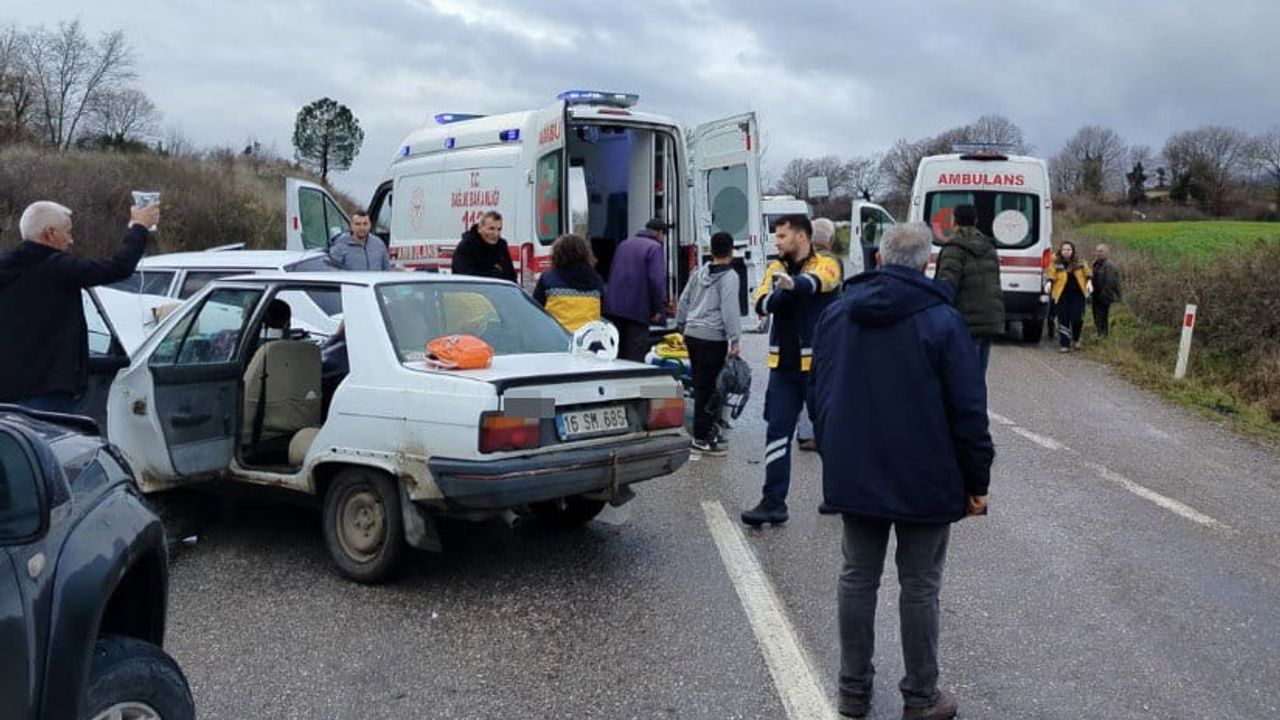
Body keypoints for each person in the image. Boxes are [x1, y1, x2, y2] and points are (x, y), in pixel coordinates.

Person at [810, 222, 993, 720]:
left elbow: (819, 394)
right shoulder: (943, 320)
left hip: (857, 471)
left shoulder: (838, 313)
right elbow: (969, 411)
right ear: (926, 263)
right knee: (919, 585)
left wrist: (835, 454)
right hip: (927, 477)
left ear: (879, 259)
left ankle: (852, 691)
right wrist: (978, 481)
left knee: (856, 577)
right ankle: (920, 696)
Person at [0, 199, 160, 413]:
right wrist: (140, 227)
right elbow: (118, 267)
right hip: (47, 394)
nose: (71, 240)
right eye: (68, 232)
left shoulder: (7, 267)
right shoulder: (56, 268)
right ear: (50, 233)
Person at [741, 214, 842, 526]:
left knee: (829, 433)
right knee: (777, 432)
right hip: (783, 367)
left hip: (819, 366)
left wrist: (792, 287)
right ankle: (773, 502)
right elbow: (760, 303)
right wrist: (783, 293)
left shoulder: (826, 262)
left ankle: (841, 495)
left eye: (782, 236)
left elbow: (819, 283)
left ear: (802, 237)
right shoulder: (775, 266)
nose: (777, 242)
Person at [675, 231, 741, 456]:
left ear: (711, 250)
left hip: (693, 335)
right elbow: (730, 311)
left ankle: (702, 434)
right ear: (731, 252)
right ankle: (702, 438)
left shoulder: (698, 272)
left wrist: (681, 324)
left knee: (700, 383)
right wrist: (735, 340)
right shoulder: (730, 277)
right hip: (713, 337)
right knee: (710, 389)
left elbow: (684, 300)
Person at [933, 204, 1004, 372]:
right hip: (988, 318)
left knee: (961, 377)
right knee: (978, 375)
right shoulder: (988, 246)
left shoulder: (954, 248)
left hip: (964, 321)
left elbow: (946, 285)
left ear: (953, 221)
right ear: (976, 220)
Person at [797, 217, 841, 451]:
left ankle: (804, 431)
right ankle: (816, 432)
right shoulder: (830, 263)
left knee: (806, 381)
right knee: (821, 383)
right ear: (831, 241)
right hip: (823, 331)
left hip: (800, 332)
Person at [603, 218, 672, 362]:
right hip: (638, 310)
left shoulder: (624, 244)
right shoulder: (654, 247)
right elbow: (656, 281)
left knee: (617, 353)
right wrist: (659, 309)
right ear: (660, 233)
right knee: (635, 355)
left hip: (614, 309)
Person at [533, 233, 605, 332]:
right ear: (586, 254)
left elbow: (535, 309)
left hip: (557, 337)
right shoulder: (596, 280)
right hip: (586, 340)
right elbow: (602, 309)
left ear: (557, 253)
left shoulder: (548, 278)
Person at [1045, 240, 1092, 352]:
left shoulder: (1080, 262)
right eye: (1064, 249)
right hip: (1061, 295)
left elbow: (1088, 273)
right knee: (1063, 319)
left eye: (1068, 249)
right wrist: (1049, 282)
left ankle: (1076, 339)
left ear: (1073, 250)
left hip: (1077, 295)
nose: (1066, 252)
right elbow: (1051, 273)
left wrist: (1089, 282)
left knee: (1077, 318)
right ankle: (1064, 344)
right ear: (1060, 251)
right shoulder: (1056, 262)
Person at [451, 211, 516, 282]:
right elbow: (466, 277)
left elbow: (511, 276)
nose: (496, 234)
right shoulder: (467, 246)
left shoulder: (501, 246)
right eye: (491, 229)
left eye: (499, 229)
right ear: (479, 229)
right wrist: (496, 273)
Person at [1091, 244, 1121, 337]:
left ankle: (1103, 336)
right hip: (1096, 296)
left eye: (1101, 251)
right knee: (1097, 317)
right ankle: (1100, 334)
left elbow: (1110, 282)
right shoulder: (1096, 264)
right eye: (1097, 251)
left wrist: (1105, 297)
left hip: (1104, 296)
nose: (1098, 253)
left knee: (1102, 317)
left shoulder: (1109, 265)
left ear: (1107, 253)